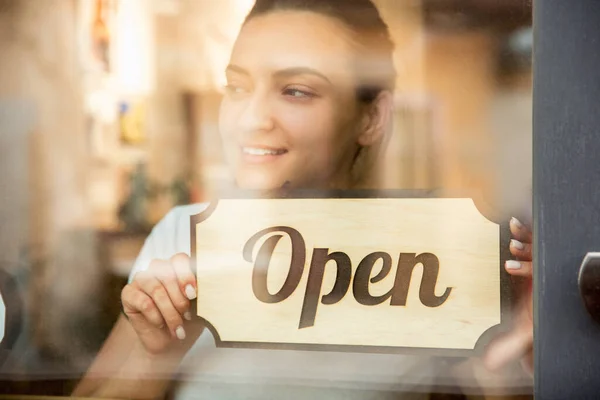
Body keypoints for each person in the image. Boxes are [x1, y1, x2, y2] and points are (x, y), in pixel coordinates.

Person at [73, 0, 533, 398]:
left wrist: (529, 341)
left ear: (372, 117)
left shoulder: (438, 251)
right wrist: (158, 354)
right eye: (236, 88)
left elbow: (497, 385)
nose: (251, 119)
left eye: (296, 91)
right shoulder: (185, 236)